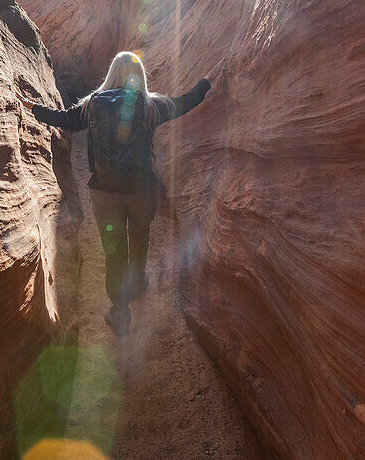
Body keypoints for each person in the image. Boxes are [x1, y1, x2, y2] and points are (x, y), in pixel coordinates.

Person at [17, 51, 223, 336]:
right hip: (141, 190)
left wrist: (33, 108)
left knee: (114, 251)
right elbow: (182, 103)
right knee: (139, 237)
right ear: (138, 76)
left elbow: (63, 119)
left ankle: (120, 313)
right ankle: (137, 283)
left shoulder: (92, 105)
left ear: (112, 73)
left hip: (105, 192)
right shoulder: (150, 106)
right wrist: (207, 83)